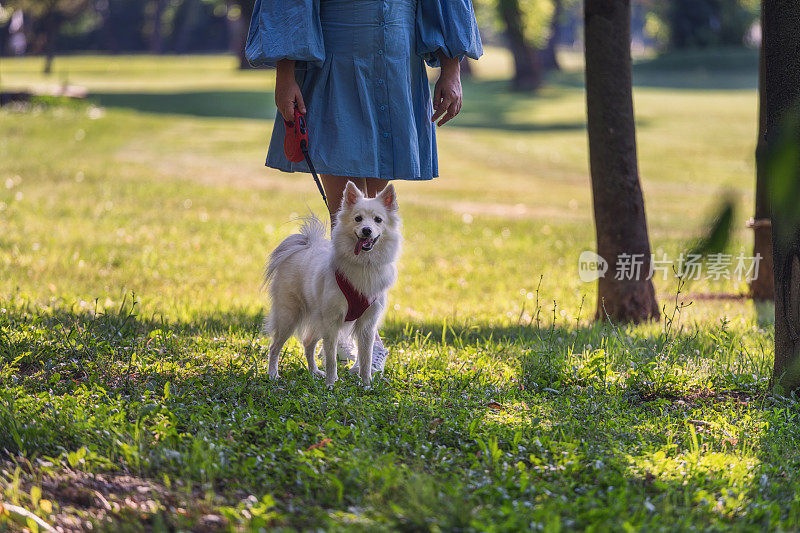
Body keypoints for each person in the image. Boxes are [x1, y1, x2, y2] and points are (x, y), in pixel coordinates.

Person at [246, 0, 482, 373]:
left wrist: (452, 68)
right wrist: (285, 73)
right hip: (338, 56)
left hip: (397, 61)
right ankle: (346, 327)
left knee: (372, 204)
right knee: (344, 210)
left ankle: (358, 323)